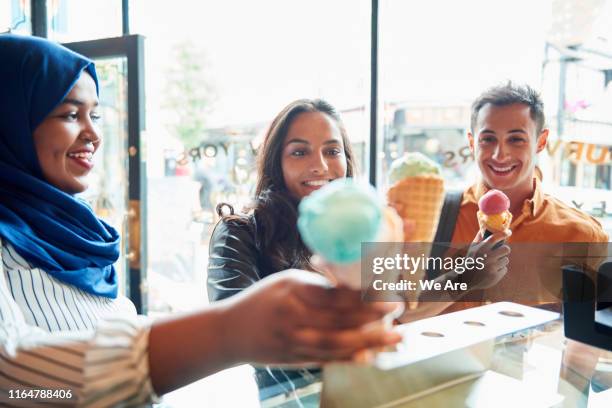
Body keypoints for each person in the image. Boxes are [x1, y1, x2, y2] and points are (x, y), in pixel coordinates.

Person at [0, 35, 401, 406]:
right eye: (71, 114)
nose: (93, 134)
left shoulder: (79, 235)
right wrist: (225, 332)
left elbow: (406, 309)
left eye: (332, 150)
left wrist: (445, 264)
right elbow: (14, 377)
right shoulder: (243, 231)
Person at [442, 82, 609, 311]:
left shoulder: (582, 235)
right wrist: (462, 278)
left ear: (540, 142)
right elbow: (399, 311)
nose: (500, 154)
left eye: (516, 139)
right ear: (472, 143)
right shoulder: (440, 218)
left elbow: (590, 335)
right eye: (488, 139)